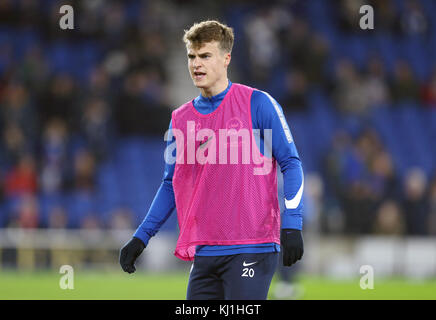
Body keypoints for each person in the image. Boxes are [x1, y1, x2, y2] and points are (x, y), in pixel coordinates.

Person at [119, 20, 304, 300]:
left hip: (252, 246)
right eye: (192, 56)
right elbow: (171, 184)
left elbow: (291, 163)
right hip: (205, 251)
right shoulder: (180, 119)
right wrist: (141, 237)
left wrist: (292, 222)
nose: (196, 64)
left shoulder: (258, 103)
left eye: (205, 55)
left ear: (226, 58)